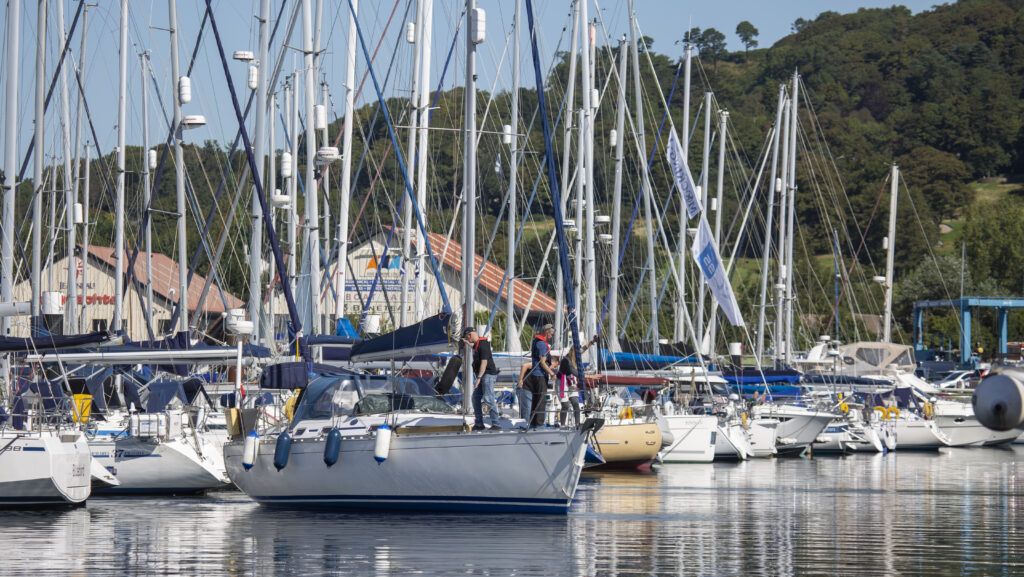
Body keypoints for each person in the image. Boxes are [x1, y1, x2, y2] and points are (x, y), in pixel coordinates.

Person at [462, 327, 501, 430]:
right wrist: (465, 342)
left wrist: (478, 378)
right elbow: (473, 346)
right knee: (475, 398)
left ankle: (496, 424)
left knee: (489, 398)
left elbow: (484, 362)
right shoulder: (478, 344)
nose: (468, 340)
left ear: (470, 335)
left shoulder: (483, 345)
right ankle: (479, 423)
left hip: (487, 375)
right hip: (483, 375)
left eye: (467, 337)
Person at [556, 335, 599, 427]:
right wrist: (592, 376)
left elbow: (584, 348)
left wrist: (592, 342)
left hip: (571, 381)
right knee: (565, 405)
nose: (580, 355)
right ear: (574, 352)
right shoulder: (566, 361)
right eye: (578, 354)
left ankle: (577, 424)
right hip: (562, 383)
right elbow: (576, 373)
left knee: (576, 404)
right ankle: (562, 425)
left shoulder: (576, 356)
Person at [525, 323, 557, 427]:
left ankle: (533, 422)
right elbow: (542, 362)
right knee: (541, 400)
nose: (551, 336)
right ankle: (538, 424)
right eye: (551, 334)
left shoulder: (537, 341)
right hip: (539, 375)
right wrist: (552, 373)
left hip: (536, 374)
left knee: (536, 399)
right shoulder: (542, 344)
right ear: (546, 333)